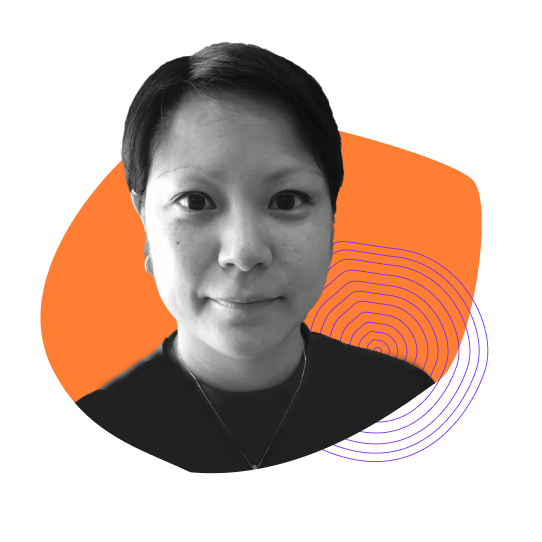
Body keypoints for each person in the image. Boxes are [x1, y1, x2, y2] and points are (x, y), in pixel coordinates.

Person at [75, 42, 435, 473]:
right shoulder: (103, 421)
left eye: (287, 200)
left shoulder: (407, 402)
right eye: (194, 201)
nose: (244, 253)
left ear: (332, 219)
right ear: (144, 222)